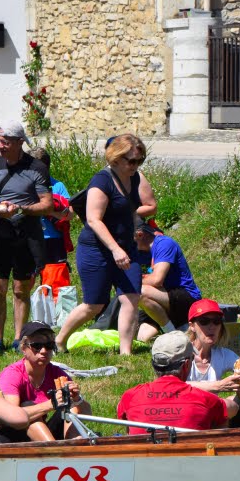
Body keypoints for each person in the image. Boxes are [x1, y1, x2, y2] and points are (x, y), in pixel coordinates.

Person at [55, 134, 147, 355]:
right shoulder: (101, 181)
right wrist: (115, 249)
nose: (136, 166)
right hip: (97, 250)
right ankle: (59, 340)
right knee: (94, 304)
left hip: (127, 248)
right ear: (115, 158)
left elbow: (138, 208)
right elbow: (93, 219)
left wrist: (136, 230)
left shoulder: (134, 178)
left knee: (131, 298)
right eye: (131, 161)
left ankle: (126, 352)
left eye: (139, 161)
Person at [0, 122, 53, 354]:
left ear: (20, 142)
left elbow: (47, 204)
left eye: (6, 142)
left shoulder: (37, 167)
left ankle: (18, 337)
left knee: (21, 289)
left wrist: (20, 209)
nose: (1, 146)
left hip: (26, 234)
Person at [116, 331, 240, 434]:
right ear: (187, 364)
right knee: (221, 420)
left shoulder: (130, 397)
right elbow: (231, 409)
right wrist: (239, 397)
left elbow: (122, 414)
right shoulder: (204, 399)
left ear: (154, 364)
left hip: (142, 461)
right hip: (192, 461)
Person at [0, 321, 92, 444]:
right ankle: (57, 452)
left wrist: (77, 399)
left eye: (49, 345)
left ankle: (76, 450)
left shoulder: (57, 374)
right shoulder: (13, 374)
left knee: (71, 407)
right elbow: (11, 417)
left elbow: (87, 413)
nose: (43, 350)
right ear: (23, 348)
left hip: (40, 435)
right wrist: (51, 404)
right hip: (10, 437)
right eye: (37, 345)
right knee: (27, 407)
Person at [185, 298, 240, 411]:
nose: (211, 326)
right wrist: (218, 386)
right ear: (192, 326)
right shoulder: (181, 353)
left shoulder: (223, 354)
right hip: (184, 411)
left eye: (217, 321)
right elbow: (172, 387)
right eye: (204, 321)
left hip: (211, 413)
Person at [135, 220, 202, 341]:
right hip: (164, 298)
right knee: (142, 337)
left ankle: (174, 336)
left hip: (186, 297)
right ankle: (174, 327)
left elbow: (157, 280)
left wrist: (134, 279)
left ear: (140, 234)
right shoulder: (142, 252)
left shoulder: (164, 244)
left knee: (138, 292)